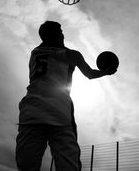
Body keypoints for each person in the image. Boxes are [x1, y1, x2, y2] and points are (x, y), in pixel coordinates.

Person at [15, 21, 117, 171]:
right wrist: (105, 71)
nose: (62, 34)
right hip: (60, 116)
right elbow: (90, 74)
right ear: (54, 35)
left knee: (27, 166)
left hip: (31, 113)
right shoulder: (71, 55)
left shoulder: (35, 52)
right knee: (69, 167)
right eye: (60, 31)